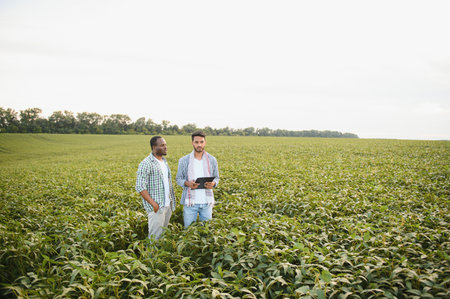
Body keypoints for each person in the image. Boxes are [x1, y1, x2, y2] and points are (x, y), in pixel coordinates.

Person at [136, 136, 176, 240]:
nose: (165, 147)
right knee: (155, 238)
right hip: (157, 207)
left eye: (165, 145)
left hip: (167, 205)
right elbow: (140, 187)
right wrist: (154, 204)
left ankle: (159, 256)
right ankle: (151, 256)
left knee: (162, 236)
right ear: (154, 147)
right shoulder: (146, 163)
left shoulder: (164, 162)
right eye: (162, 145)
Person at [176, 131, 220, 228]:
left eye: (201, 142)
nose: (199, 145)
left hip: (206, 203)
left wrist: (213, 183)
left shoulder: (212, 160)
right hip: (190, 203)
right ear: (192, 143)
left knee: (206, 232)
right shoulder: (184, 160)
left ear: (205, 142)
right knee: (188, 232)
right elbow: (178, 179)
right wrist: (187, 183)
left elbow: (217, 177)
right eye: (196, 142)